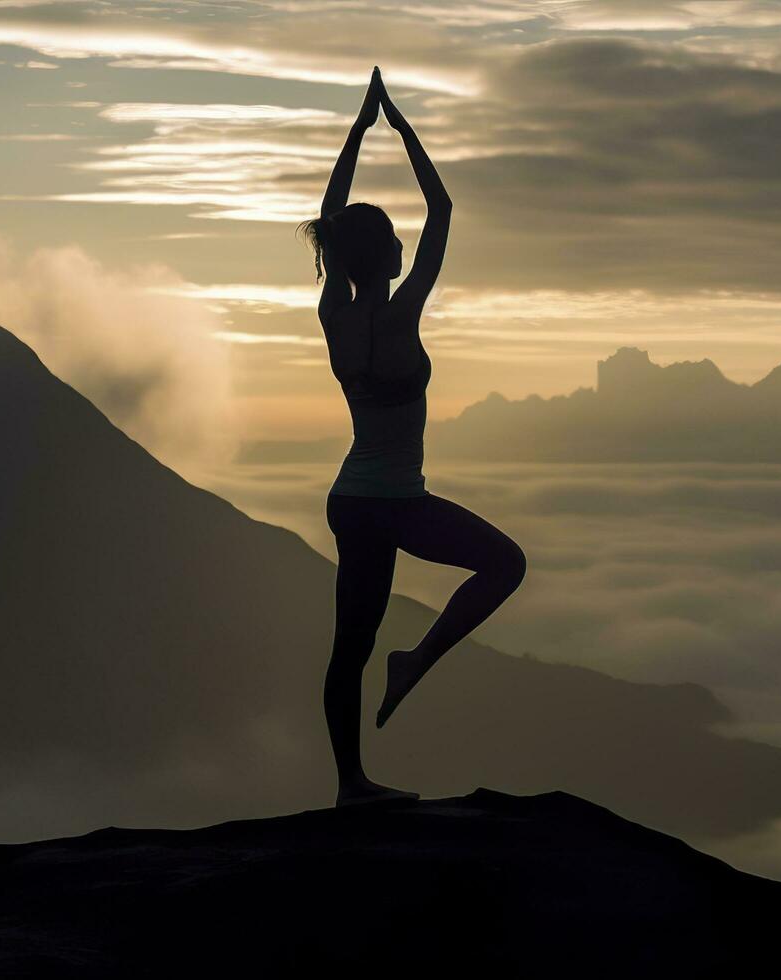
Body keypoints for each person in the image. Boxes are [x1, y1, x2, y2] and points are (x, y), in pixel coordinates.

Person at [300, 68, 527, 807]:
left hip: (352, 500)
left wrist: (358, 132)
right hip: (395, 502)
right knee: (504, 564)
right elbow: (443, 208)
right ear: (384, 257)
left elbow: (329, 213)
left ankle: (349, 784)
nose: (405, 244)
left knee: (348, 649)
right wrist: (399, 130)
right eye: (394, 239)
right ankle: (418, 658)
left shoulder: (336, 309)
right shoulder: (401, 314)